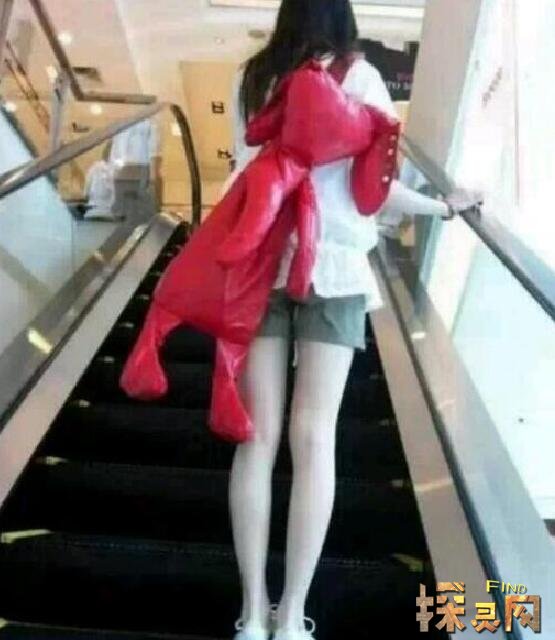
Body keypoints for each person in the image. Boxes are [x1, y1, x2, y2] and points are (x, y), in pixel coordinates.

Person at [225, 3, 481, 639]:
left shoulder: (253, 77)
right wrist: (442, 207)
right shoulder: (359, 78)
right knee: (315, 438)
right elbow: (376, 189)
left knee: (256, 439)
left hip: (262, 266)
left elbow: (243, 173)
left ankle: (252, 614)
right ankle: (291, 618)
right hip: (334, 270)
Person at [109, 117, 162, 220]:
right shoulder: (150, 124)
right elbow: (154, 153)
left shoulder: (122, 125)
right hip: (141, 171)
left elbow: (114, 158)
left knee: (123, 214)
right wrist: (153, 182)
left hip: (123, 173)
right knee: (145, 215)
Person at [82, 141, 118, 221]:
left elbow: (86, 193)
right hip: (108, 214)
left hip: (91, 213)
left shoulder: (93, 168)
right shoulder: (117, 171)